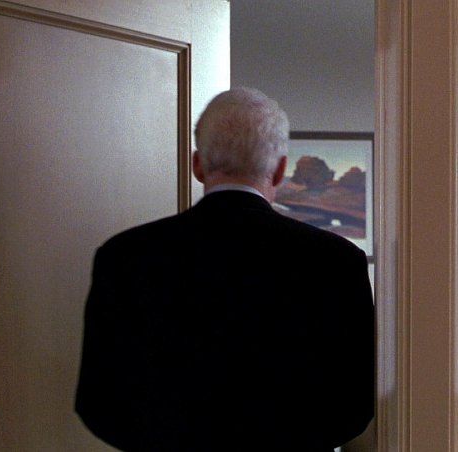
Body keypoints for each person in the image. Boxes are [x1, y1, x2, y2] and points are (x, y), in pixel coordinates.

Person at [75, 87, 375, 451]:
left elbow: (97, 401)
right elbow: (354, 405)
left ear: (197, 165)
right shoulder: (337, 263)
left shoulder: (124, 257)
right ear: (280, 170)